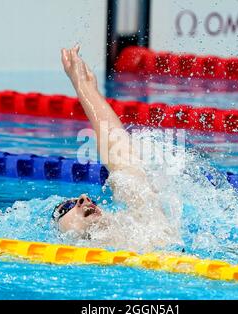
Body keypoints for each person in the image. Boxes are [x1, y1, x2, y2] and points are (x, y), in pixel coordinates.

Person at [53, 45, 180, 251]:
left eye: (81, 199)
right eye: (67, 207)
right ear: (62, 236)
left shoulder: (144, 228)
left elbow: (123, 162)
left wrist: (85, 88)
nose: (84, 198)